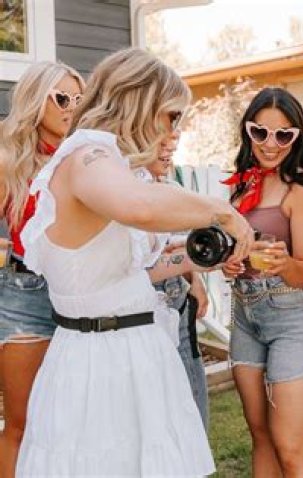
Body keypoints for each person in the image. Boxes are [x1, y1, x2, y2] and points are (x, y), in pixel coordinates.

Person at [14, 48, 253, 476]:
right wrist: (223, 212)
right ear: (141, 103)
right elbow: (138, 207)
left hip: (131, 351)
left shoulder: (111, 165)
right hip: (100, 363)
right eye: (171, 116)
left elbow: (125, 270)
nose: (173, 130)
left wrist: (195, 259)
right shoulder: (88, 156)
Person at [220, 87, 303, 477]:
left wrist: (285, 263)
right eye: (261, 132)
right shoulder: (243, 185)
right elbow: (236, 248)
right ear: (247, 131)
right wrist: (231, 265)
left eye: (283, 135)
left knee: (290, 447)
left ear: (297, 137)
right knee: (261, 436)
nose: (271, 144)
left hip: (295, 316)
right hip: (246, 313)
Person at [0, 61, 84, 477]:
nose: (72, 108)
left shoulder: (84, 157)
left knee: (72, 424)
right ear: (36, 100)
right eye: (62, 98)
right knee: (22, 423)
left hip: (81, 294)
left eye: (79, 100)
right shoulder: (8, 159)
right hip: (26, 297)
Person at [133, 125, 211, 430]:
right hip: (139, 310)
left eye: (173, 136)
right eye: (160, 139)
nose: (171, 146)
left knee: (191, 404)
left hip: (177, 303)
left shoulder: (168, 186)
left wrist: (195, 279)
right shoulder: (122, 193)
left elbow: (175, 242)